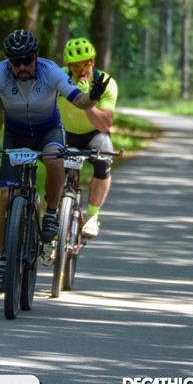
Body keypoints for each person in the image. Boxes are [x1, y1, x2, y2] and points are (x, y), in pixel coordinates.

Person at [0, 29, 110, 293]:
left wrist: (93, 97)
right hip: (16, 135)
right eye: (15, 62)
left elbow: (80, 101)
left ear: (36, 57)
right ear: (8, 62)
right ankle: (4, 262)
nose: (21, 67)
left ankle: (51, 213)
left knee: (54, 159)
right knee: (5, 197)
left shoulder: (50, 70)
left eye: (26, 60)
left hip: (48, 132)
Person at [57, 37, 119, 239]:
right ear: (68, 66)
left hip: (93, 134)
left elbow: (104, 125)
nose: (81, 70)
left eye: (86, 64)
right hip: (64, 132)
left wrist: (88, 101)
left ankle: (92, 216)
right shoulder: (59, 79)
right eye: (75, 66)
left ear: (93, 61)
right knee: (53, 164)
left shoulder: (105, 83)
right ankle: (53, 216)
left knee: (105, 158)